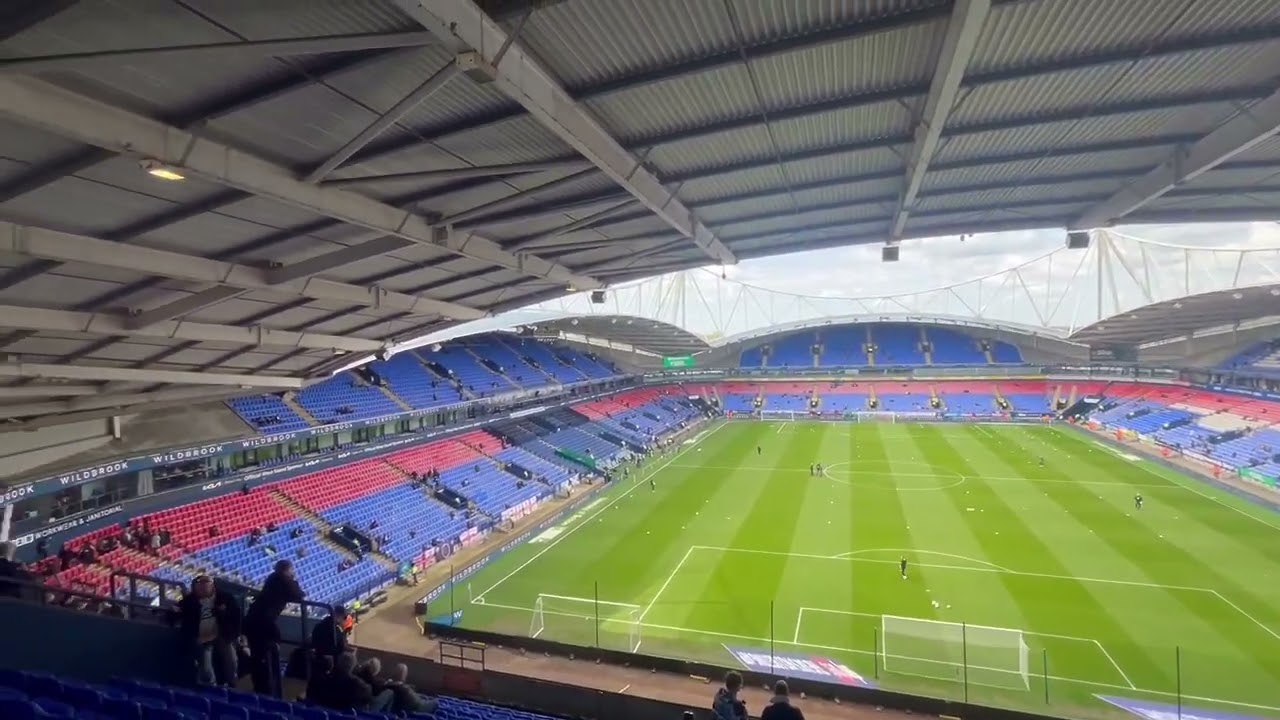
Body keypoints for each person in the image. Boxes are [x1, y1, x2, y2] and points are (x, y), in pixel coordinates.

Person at [244, 560, 305, 697]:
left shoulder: (273, 577)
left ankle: (261, 688)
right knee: (267, 655)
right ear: (287, 570)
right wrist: (293, 581)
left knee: (257, 657)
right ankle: (268, 692)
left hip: (253, 620)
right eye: (292, 570)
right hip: (263, 624)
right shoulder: (284, 579)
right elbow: (299, 595)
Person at [178, 575, 242, 686]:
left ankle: (231, 684)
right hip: (202, 636)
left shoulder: (225, 598)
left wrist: (223, 614)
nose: (202, 589)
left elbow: (236, 616)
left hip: (222, 634)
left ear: (212, 586)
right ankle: (210, 687)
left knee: (231, 661)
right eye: (199, 587)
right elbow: (179, 612)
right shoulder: (190, 601)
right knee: (206, 667)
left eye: (205, 586)